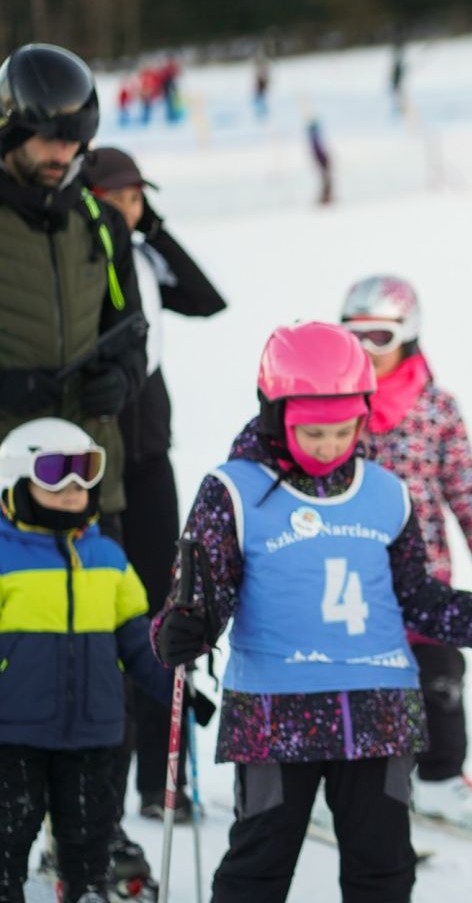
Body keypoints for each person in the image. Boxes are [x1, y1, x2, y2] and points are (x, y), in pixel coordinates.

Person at [151, 322, 472, 903]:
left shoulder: (386, 491)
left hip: (379, 707)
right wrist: (186, 629)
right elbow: (203, 593)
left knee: (384, 868)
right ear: (274, 413)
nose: (330, 446)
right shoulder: (231, 491)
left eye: (345, 430)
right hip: (274, 712)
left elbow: (415, 597)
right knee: (258, 865)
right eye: (313, 432)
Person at [85, 145, 228, 826]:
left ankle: (162, 776)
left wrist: (156, 230)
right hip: (88, 466)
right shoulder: (76, 260)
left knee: (159, 611)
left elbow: (206, 299)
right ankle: (96, 782)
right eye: (113, 199)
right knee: (101, 615)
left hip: (148, 457)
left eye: (135, 199)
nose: (126, 210)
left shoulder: (144, 258)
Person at [339, 275, 472, 834]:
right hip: (350, 575)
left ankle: (439, 777)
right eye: (355, 336)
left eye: (380, 337)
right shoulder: (333, 405)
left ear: (407, 334)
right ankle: (344, 781)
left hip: (426, 574)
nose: (367, 349)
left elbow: (464, 488)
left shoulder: (436, 407)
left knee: (438, 676)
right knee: (360, 682)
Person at [0, 418, 173, 903]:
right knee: (9, 834)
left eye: (83, 478)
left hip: (93, 737)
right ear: (16, 480)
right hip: (12, 735)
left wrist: (174, 686)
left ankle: (88, 891)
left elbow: (136, 640)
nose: (73, 491)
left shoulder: (108, 558)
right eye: (56, 479)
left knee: (89, 838)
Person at [0, 43, 147, 541]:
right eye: (49, 139)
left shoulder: (101, 224)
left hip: (87, 485)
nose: (62, 155)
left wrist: (121, 380)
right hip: (8, 484)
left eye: (74, 141)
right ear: (11, 128)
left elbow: (131, 332)